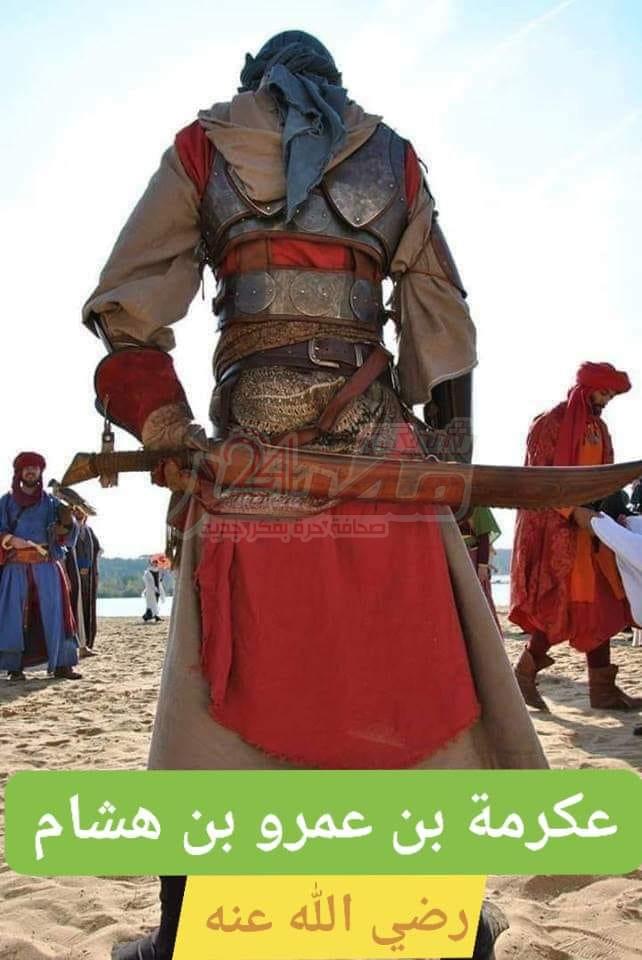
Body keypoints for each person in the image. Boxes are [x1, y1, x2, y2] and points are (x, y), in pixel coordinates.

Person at [83, 31, 546, 959]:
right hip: (383, 457)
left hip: (248, 458)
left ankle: (191, 928)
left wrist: (168, 426)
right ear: (337, 82)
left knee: (223, 688)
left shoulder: (205, 147)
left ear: (252, 80)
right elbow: (444, 332)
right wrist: (449, 464)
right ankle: (444, 923)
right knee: (408, 674)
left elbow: (127, 311)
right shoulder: (392, 158)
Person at [510, 362, 641, 712]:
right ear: (587, 389)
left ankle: (603, 690)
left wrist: (615, 513)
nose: (607, 400)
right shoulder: (549, 423)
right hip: (557, 533)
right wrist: (571, 512)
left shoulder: (601, 429)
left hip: (593, 535)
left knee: (602, 605)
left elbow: (605, 479)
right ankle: (523, 675)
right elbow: (539, 479)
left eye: (611, 395)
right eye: (604, 393)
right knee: (557, 606)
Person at [0, 452, 81, 681]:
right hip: (16, 566)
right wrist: (11, 539)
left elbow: (67, 536)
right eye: (26, 467)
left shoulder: (52, 502)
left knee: (56, 614)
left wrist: (68, 523)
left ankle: (62, 664)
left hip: (46, 566)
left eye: (35, 467)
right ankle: (14, 667)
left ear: (40, 472)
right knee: (12, 616)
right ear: (19, 472)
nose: (31, 471)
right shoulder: (6, 501)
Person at [459, 506, 501, 627]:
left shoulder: (477, 504)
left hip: (472, 559)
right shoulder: (443, 504)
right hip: (449, 557)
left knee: (479, 602)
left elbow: (484, 536)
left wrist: (482, 566)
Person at [75, 511, 102, 647]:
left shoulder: (89, 531)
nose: (79, 514)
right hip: (75, 574)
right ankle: (78, 642)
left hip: (89, 576)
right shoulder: (71, 529)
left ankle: (88, 642)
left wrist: (90, 567)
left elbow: (97, 550)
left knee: (88, 608)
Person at [142, 556, 168, 622]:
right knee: (151, 603)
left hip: (157, 588)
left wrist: (161, 578)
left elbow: (158, 580)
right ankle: (147, 616)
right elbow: (149, 582)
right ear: (152, 563)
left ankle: (155, 616)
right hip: (151, 589)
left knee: (156, 602)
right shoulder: (148, 572)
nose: (155, 564)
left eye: (156, 562)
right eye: (154, 562)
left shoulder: (158, 571)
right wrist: (154, 588)